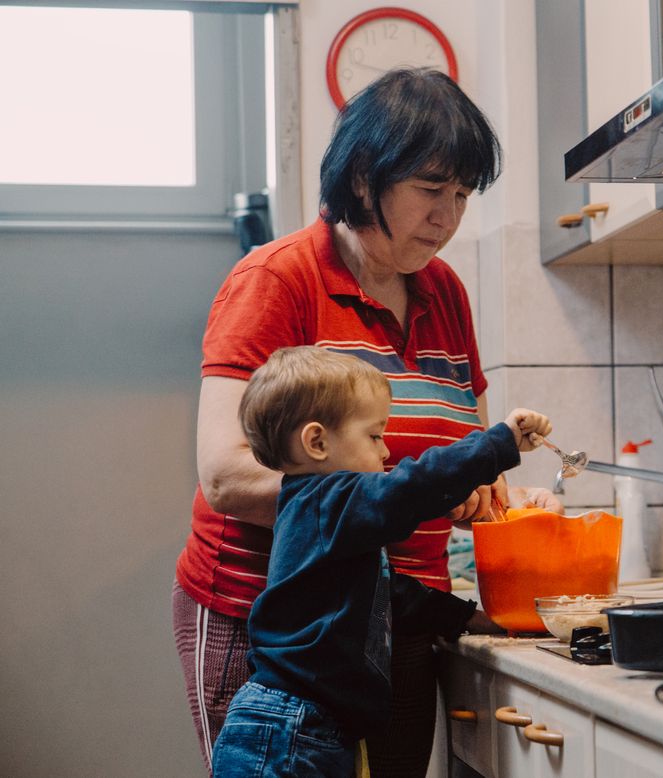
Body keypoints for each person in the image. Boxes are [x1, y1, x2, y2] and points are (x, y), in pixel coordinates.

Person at [172, 67, 563, 775]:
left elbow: (458, 460)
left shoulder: (445, 292)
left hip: (404, 613)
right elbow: (226, 477)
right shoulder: (277, 280)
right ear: (362, 178)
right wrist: (381, 503)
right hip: (273, 626)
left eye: (463, 195)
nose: (448, 216)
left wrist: (489, 499)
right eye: (431, 189)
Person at [210, 346, 551, 776]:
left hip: (305, 726)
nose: (386, 451)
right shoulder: (327, 501)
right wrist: (498, 443)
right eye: (374, 436)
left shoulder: (324, 514)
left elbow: (390, 595)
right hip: (289, 731)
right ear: (317, 442)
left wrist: (467, 617)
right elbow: (411, 488)